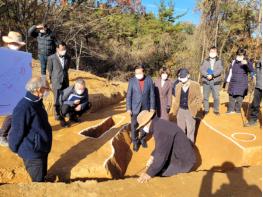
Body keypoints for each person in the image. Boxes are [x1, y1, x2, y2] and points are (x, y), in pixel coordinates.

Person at [8, 77, 52, 182]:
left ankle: (43, 178)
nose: (48, 91)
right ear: (38, 89)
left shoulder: (37, 102)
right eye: (47, 88)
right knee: (38, 181)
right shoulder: (24, 107)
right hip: (32, 152)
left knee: (42, 172)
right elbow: (17, 131)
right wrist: (14, 148)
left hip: (41, 147)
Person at [136, 110, 196, 183]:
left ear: (147, 122)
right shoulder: (159, 124)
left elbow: (161, 156)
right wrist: (152, 156)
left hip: (184, 162)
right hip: (178, 156)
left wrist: (149, 173)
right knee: (157, 167)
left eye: (142, 126)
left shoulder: (160, 130)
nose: (143, 128)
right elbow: (161, 146)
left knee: (159, 174)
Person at [0, 31, 26, 147]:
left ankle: (5, 134)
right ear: (8, 43)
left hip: (15, 89)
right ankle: (2, 135)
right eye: (14, 43)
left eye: (18, 44)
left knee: (14, 112)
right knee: (11, 112)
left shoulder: (18, 56)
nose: (16, 46)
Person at [126, 64, 155, 152]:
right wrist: (128, 108)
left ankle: (142, 139)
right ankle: (135, 142)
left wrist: (152, 107)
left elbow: (152, 95)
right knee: (134, 126)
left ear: (143, 71)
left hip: (146, 107)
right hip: (135, 108)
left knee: (145, 125)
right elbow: (129, 95)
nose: (138, 74)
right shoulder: (132, 81)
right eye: (136, 72)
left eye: (140, 72)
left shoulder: (149, 80)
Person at [169, 68, 202, 143]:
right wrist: (174, 111)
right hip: (180, 110)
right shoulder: (177, 86)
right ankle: (182, 145)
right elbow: (176, 100)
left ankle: (190, 145)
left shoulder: (195, 85)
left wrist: (196, 108)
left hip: (190, 111)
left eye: (184, 77)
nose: (183, 79)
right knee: (181, 129)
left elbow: (199, 98)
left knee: (190, 130)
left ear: (188, 76)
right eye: (181, 77)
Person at [47, 41, 70, 126]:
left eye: (64, 49)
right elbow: (50, 70)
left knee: (64, 98)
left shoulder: (68, 57)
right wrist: (51, 81)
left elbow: (66, 69)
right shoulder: (51, 58)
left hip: (65, 81)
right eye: (61, 49)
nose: (63, 51)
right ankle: (58, 116)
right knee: (57, 100)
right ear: (57, 49)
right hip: (56, 81)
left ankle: (64, 113)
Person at [225, 48, 254, 114]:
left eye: (242, 55)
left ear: (244, 55)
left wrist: (247, 64)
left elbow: (251, 70)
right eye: (239, 55)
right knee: (231, 96)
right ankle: (230, 110)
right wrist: (227, 81)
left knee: (240, 97)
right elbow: (230, 72)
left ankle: (237, 110)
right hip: (233, 81)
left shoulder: (247, 61)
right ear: (237, 54)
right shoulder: (233, 61)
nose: (240, 56)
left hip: (242, 82)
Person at [200, 46, 224, 115]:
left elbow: (220, 69)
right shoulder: (205, 60)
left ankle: (216, 110)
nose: (212, 53)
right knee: (205, 97)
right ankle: (206, 110)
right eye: (211, 51)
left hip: (216, 81)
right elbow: (201, 69)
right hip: (206, 81)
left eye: (214, 51)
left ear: (216, 53)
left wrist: (213, 75)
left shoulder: (219, 61)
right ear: (209, 52)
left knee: (216, 97)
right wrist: (207, 75)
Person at [245, 59, 262, 126]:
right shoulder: (259, 62)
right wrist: (253, 74)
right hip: (258, 85)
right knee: (255, 104)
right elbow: (255, 71)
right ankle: (253, 120)